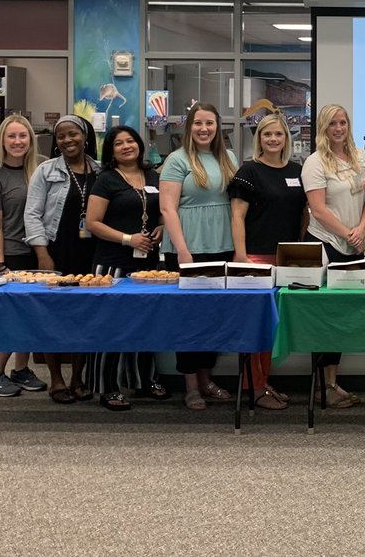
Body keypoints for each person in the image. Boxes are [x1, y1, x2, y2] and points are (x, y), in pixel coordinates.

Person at [159, 102, 238, 411]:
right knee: (189, 320)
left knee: (214, 319)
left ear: (218, 127)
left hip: (222, 245)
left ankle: (207, 379)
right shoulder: (176, 160)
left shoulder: (228, 158)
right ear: (188, 126)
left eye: (210, 123)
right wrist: (182, 250)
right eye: (198, 123)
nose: (204, 129)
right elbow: (167, 208)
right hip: (189, 247)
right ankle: (191, 386)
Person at [228, 113, 308, 411]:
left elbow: (302, 214)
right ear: (258, 139)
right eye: (267, 135)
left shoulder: (297, 170)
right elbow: (237, 215)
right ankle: (255, 388)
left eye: (278, 134)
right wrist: (241, 256)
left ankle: (264, 382)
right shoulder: (249, 170)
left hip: (287, 259)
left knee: (275, 328)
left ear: (286, 138)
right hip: (256, 258)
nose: (273, 139)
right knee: (257, 327)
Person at [85, 125, 168, 411]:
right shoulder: (105, 180)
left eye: (130, 141)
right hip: (111, 265)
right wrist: (127, 238)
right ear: (111, 151)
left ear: (139, 145)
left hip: (146, 264)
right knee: (110, 324)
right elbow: (92, 223)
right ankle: (107, 386)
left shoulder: (153, 175)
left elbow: (163, 211)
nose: (125, 146)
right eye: (118, 143)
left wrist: (160, 226)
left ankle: (144, 378)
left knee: (145, 321)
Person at [24, 115, 100, 405]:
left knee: (84, 317)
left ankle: (78, 377)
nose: (68, 141)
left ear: (84, 136)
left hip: (90, 254)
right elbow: (32, 214)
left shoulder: (100, 169)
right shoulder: (46, 171)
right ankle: (56, 379)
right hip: (55, 252)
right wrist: (42, 254)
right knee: (53, 317)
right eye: (61, 137)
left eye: (73, 135)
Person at [302, 103, 365, 409]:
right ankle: (323, 386)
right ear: (323, 128)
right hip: (326, 244)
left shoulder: (359, 157)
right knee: (325, 319)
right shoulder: (315, 163)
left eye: (343, 122)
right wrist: (348, 234)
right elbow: (318, 210)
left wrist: (362, 229)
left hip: (354, 243)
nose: (339, 128)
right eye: (332, 124)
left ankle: (333, 382)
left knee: (342, 318)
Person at [0, 114, 47, 398]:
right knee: (10, 318)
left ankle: (21, 370)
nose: (18, 142)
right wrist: (1, 264)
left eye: (23, 136)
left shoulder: (41, 170)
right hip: (13, 255)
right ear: (2, 142)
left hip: (40, 253)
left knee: (31, 316)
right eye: (12, 136)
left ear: (31, 140)